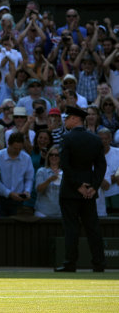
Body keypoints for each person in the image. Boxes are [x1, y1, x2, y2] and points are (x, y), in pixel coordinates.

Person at [56, 106, 107, 272]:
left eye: (67, 118)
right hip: (89, 191)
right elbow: (101, 166)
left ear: (74, 119)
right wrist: (93, 186)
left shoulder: (67, 139)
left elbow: (65, 165)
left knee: (71, 228)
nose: (65, 120)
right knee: (93, 228)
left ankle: (70, 263)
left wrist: (78, 185)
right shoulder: (95, 139)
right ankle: (99, 264)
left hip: (71, 191)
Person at [35, 145, 63, 218]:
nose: (54, 157)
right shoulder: (41, 171)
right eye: (51, 154)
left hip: (60, 213)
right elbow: (38, 189)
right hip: (42, 213)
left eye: (56, 155)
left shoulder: (65, 173)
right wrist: (49, 180)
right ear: (48, 156)